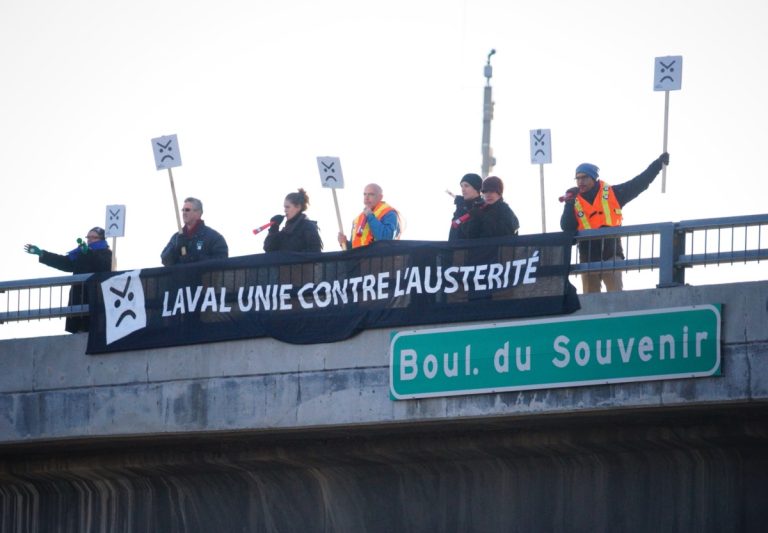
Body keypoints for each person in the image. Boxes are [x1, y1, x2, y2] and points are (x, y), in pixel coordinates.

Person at [559, 152, 670, 293]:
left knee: (615, 295)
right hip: (587, 257)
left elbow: (640, 183)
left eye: (585, 177)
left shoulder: (613, 194)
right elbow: (566, 227)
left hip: (611, 252)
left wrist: (658, 164)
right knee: (590, 300)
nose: (581, 181)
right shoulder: (573, 200)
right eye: (578, 178)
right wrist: (569, 203)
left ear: (594, 178)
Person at [24, 227, 113, 333]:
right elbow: (65, 263)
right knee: (78, 329)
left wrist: (89, 253)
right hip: (78, 295)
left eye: (93, 237)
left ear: (101, 239)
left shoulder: (106, 253)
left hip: (95, 296)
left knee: (94, 329)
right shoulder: (80, 253)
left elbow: (104, 267)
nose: (89, 240)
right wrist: (43, 254)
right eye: (88, 237)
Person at [161, 197, 229, 266]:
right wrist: (175, 249)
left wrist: (193, 258)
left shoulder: (214, 237)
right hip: (181, 276)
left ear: (198, 213)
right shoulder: (176, 238)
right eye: (183, 210)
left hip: (202, 276)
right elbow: (165, 260)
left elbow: (221, 261)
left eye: (187, 210)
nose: (184, 213)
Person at [337, 183, 401, 249]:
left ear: (380, 197)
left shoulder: (389, 213)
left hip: (380, 258)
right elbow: (354, 248)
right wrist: (345, 243)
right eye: (365, 194)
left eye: (371, 194)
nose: (366, 198)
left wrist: (370, 216)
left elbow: (386, 238)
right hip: (360, 258)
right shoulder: (357, 220)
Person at [264, 188, 323, 253]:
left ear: (298, 207)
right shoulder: (285, 230)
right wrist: (274, 228)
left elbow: (315, 252)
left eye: (287, 207)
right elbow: (268, 249)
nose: (285, 210)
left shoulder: (308, 226)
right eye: (284, 207)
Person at [448, 173, 485, 241]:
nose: (463, 189)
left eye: (466, 186)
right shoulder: (460, 207)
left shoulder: (484, 208)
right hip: (457, 250)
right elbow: (453, 235)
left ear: (476, 187)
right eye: (461, 186)